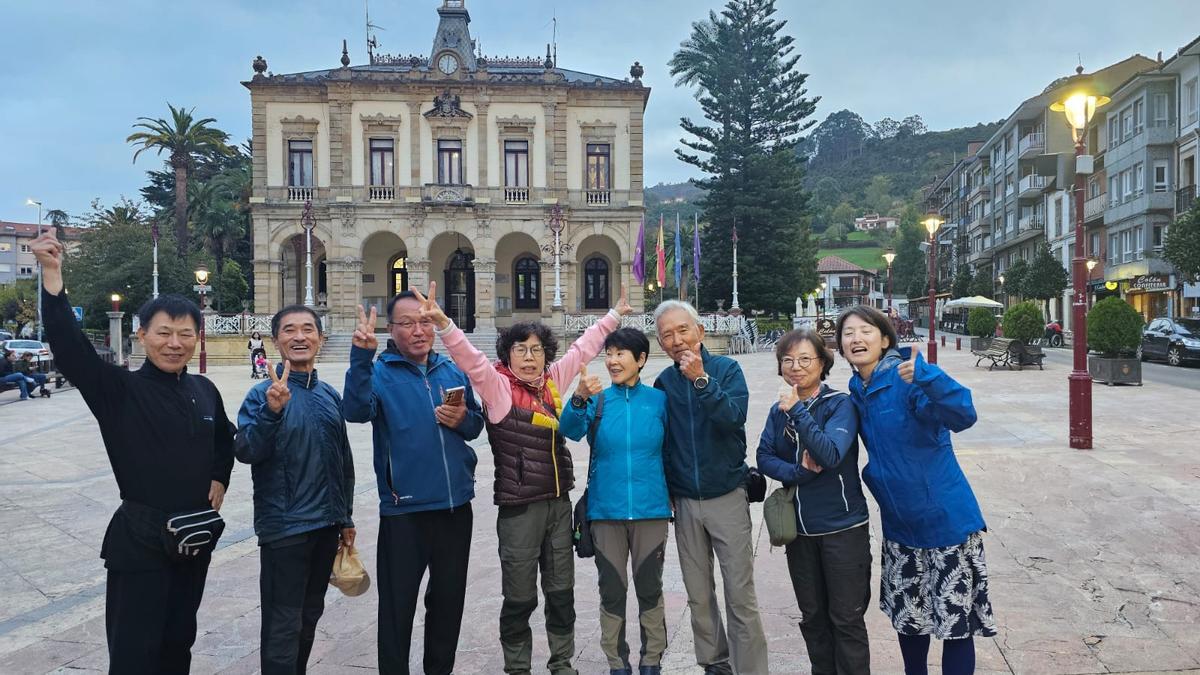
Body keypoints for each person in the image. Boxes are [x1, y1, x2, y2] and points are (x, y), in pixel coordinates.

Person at [30, 230, 235, 674]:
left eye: (184, 334)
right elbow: (70, 348)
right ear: (142, 335)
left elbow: (225, 437)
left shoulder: (205, 389)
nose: (174, 343)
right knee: (134, 652)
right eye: (164, 333)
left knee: (179, 642)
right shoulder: (119, 390)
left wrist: (220, 475)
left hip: (194, 538)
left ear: (197, 338)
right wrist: (52, 276)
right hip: (140, 541)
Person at [414, 280, 632, 675]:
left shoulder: (552, 382)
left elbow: (583, 348)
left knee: (561, 592)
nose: (529, 357)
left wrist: (614, 315)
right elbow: (471, 362)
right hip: (518, 511)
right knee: (518, 597)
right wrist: (445, 325)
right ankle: (517, 667)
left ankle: (561, 662)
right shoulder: (498, 390)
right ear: (508, 355)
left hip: (557, 505)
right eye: (520, 350)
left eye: (536, 350)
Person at [836, 306, 996, 675]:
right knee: (910, 620)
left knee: (955, 627)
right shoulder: (857, 388)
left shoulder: (909, 379)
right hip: (900, 527)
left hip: (945, 524)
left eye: (865, 331)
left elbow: (963, 415)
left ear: (885, 339)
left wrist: (929, 377)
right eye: (848, 333)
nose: (856, 339)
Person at [341, 292, 485, 675]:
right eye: (407, 323)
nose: (419, 331)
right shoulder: (379, 373)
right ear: (392, 328)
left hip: (455, 507)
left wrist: (462, 421)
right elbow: (354, 411)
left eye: (425, 321)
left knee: (448, 602)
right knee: (397, 606)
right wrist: (360, 358)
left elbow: (474, 423)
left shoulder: (451, 371)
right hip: (405, 510)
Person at [236, 305, 356, 674]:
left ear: (320, 338)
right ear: (276, 341)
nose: (299, 336)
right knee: (282, 624)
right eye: (289, 330)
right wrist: (272, 412)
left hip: (325, 527)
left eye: (308, 329)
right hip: (285, 529)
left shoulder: (329, 395)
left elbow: (343, 461)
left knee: (308, 617)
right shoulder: (262, 394)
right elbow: (247, 450)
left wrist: (345, 518)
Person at [652, 300, 767, 675]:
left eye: (682, 329)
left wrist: (702, 381)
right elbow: (664, 441)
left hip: (727, 496)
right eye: (667, 334)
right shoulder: (664, 383)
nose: (676, 339)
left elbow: (733, 420)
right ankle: (715, 663)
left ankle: (750, 668)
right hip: (685, 501)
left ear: (700, 331)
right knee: (699, 595)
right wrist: (668, 489)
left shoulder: (727, 370)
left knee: (740, 594)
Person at [756, 329, 871, 674]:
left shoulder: (840, 405)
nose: (796, 367)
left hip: (842, 529)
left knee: (846, 618)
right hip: (800, 534)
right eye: (788, 360)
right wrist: (799, 472)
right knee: (813, 617)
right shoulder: (779, 412)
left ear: (822, 363)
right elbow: (763, 456)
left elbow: (830, 453)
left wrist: (799, 412)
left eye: (805, 359)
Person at [559, 328, 670, 675]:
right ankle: (617, 663)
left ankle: (651, 661)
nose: (612, 360)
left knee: (650, 588)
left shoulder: (658, 401)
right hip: (605, 511)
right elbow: (569, 430)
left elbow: (674, 449)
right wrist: (578, 398)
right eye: (609, 353)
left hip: (651, 510)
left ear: (641, 360)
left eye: (621, 353)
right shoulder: (597, 399)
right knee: (612, 590)